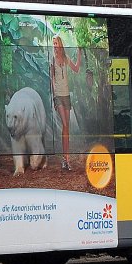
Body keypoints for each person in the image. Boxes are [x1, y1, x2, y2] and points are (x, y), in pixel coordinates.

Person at [51, 35, 81, 171]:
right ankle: (66, 159)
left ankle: (66, 159)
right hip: (58, 96)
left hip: (67, 95)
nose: (55, 45)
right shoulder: (52, 59)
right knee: (64, 124)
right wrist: (55, 95)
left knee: (66, 127)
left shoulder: (66, 58)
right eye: (53, 43)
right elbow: (52, 79)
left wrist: (79, 55)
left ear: (60, 44)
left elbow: (76, 69)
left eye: (56, 43)